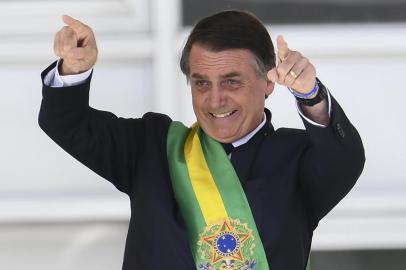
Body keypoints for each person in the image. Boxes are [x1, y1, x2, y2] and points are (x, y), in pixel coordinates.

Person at [39, 10, 365, 270]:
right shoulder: (152, 148)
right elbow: (65, 123)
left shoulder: (298, 157)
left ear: (268, 82)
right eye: (201, 83)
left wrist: (310, 95)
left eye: (231, 82)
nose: (215, 100)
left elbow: (345, 159)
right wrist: (74, 69)